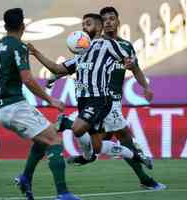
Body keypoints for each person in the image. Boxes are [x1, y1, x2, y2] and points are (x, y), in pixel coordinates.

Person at [0, 8, 80, 200]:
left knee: (42, 139)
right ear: (23, 26)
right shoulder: (18, 46)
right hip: (15, 106)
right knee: (54, 141)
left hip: (0, 110)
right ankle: (63, 194)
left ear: (4, 26)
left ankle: (26, 178)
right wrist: (50, 99)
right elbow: (27, 79)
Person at [59, 6, 166, 191]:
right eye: (105, 19)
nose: (108, 22)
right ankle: (145, 179)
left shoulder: (125, 46)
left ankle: (88, 156)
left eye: (112, 18)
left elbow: (135, 68)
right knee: (124, 137)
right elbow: (75, 67)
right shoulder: (92, 45)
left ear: (118, 22)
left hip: (112, 100)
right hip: (102, 100)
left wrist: (146, 87)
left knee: (102, 143)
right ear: (101, 24)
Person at [28, 13, 152, 167]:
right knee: (98, 147)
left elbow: (129, 60)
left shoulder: (107, 45)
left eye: (88, 24)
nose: (84, 28)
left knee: (77, 128)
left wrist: (130, 63)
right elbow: (57, 68)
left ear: (99, 27)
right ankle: (136, 156)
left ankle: (82, 149)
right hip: (84, 101)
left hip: (99, 99)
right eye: (83, 25)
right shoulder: (81, 53)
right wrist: (36, 53)